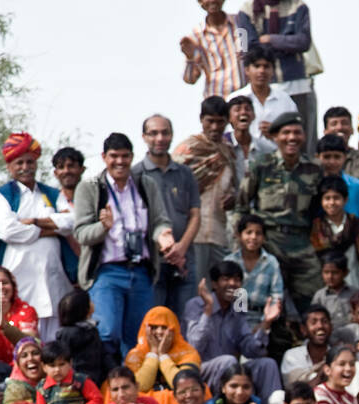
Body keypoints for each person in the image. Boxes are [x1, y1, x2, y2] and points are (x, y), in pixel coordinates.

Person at [74, 132, 180, 367]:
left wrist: (163, 235)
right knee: (108, 333)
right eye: (114, 156)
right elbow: (81, 233)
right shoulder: (90, 187)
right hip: (107, 272)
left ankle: (134, 390)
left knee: (139, 338)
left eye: (125, 156)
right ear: (104, 157)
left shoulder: (145, 184)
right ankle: (105, 385)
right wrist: (103, 227)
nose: (119, 162)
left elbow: (160, 220)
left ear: (132, 157)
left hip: (141, 271)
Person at [0, 132, 75, 337]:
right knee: (21, 336)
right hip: (20, 274)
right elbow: (7, 230)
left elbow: (70, 222)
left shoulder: (52, 193)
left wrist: (33, 222)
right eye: (19, 163)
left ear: (36, 163)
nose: (25, 167)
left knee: (54, 339)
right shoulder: (3, 195)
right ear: (9, 166)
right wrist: (50, 229)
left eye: (29, 161)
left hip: (53, 277)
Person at [236, 112, 324, 317]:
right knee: (263, 299)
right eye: (286, 133)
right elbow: (240, 207)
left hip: (302, 243)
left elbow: (321, 210)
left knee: (313, 300)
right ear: (275, 137)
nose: (292, 138)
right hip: (268, 242)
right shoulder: (261, 165)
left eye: (297, 133)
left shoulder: (315, 168)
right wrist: (241, 244)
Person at [185, 260, 283, 396]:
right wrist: (208, 310)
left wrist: (266, 323)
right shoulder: (196, 305)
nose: (232, 284)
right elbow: (194, 347)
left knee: (268, 364)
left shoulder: (238, 308)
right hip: (201, 370)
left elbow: (250, 350)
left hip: (231, 372)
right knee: (229, 362)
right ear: (214, 284)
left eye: (237, 280)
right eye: (226, 279)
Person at [137, 115, 202, 319]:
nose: (160, 138)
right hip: (152, 263)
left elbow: (195, 213)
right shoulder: (135, 174)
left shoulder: (185, 173)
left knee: (186, 322)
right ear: (144, 137)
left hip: (184, 261)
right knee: (155, 322)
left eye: (165, 132)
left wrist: (181, 247)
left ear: (172, 135)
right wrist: (164, 247)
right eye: (154, 133)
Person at [173, 97, 238, 290]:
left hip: (221, 232)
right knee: (197, 289)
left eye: (220, 121)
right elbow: (173, 187)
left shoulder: (228, 153)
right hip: (194, 234)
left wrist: (232, 198)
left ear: (227, 121)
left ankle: (239, 319)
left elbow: (234, 186)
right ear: (201, 120)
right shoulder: (188, 149)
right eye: (210, 121)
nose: (215, 127)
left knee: (232, 287)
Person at [235, 0, 318, 150]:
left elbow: (303, 42)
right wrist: (286, 44)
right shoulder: (245, 11)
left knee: (302, 142)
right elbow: (245, 48)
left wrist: (270, 40)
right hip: (261, 86)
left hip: (297, 86)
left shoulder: (298, 6)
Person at [125, 306, 200, 404]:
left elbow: (185, 386)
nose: (159, 332)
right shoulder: (135, 354)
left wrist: (163, 356)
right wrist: (153, 354)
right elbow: (141, 386)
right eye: (154, 327)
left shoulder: (188, 352)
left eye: (164, 327)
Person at [229, 45, 294, 159]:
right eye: (257, 66)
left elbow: (295, 134)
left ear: (273, 70)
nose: (261, 71)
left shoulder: (285, 100)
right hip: (241, 158)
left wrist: (276, 134)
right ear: (247, 70)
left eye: (266, 66)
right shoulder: (234, 99)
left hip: (277, 161)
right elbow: (227, 135)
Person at [309, 182, 359, 292]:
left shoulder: (356, 226)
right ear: (321, 201)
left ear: (345, 200)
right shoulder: (316, 229)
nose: (332, 203)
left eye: (336, 198)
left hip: (355, 283)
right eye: (327, 198)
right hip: (326, 287)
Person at [313, 136, 359, 239]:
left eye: (337, 157)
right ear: (317, 157)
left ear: (344, 158)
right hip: (318, 246)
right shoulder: (311, 186)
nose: (332, 162)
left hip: (351, 247)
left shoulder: (355, 186)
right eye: (327, 157)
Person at [224, 213, 287, 326]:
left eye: (258, 233)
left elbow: (277, 296)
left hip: (260, 318)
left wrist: (264, 324)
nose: (253, 237)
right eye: (248, 232)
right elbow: (221, 294)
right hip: (231, 318)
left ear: (263, 238)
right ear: (239, 235)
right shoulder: (229, 261)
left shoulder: (271, 263)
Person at [180, 0, 248, 98]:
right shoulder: (196, 36)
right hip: (217, 101)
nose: (212, 0)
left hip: (244, 98)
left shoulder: (240, 24)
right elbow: (190, 79)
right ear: (200, 2)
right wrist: (189, 58)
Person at [55, 288, 108, 387]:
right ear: (85, 309)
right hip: (78, 381)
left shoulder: (90, 329)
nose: (93, 303)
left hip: (93, 378)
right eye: (90, 301)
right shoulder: (68, 334)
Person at [321, 106, 359, 193]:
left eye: (344, 123)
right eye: (334, 124)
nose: (339, 127)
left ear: (352, 130)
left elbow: (356, 187)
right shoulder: (315, 158)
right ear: (325, 132)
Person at [279, 304, 332, 393]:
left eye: (324, 321)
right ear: (303, 329)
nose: (320, 326)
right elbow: (296, 393)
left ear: (331, 327)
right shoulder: (292, 355)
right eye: (313, 322)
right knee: (277, 397)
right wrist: (322, 371)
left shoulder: (338, 355)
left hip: (331, 401)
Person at [310, 252, 354, 330]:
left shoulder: (354, 293)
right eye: (326, 272)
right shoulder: (319, 296)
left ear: (345, 272)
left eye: (335, 272)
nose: (330, 277)